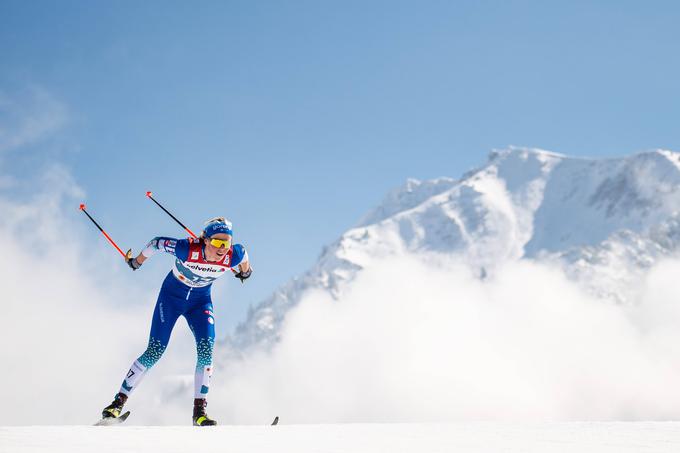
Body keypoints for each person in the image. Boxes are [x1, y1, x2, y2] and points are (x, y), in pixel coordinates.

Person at [101, 217, 252, 426]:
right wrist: (137, 261)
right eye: (217, 242)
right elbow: (156, 243)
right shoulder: (186, 249)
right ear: (206, 240)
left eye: (226, 243)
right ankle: (116, 404)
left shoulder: (233, 254)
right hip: (171, 299)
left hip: (200, 304)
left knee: (206, 349)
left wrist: (246, 271)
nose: (223, 248)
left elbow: (244, 256)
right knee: (155, 350)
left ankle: (199, 413)